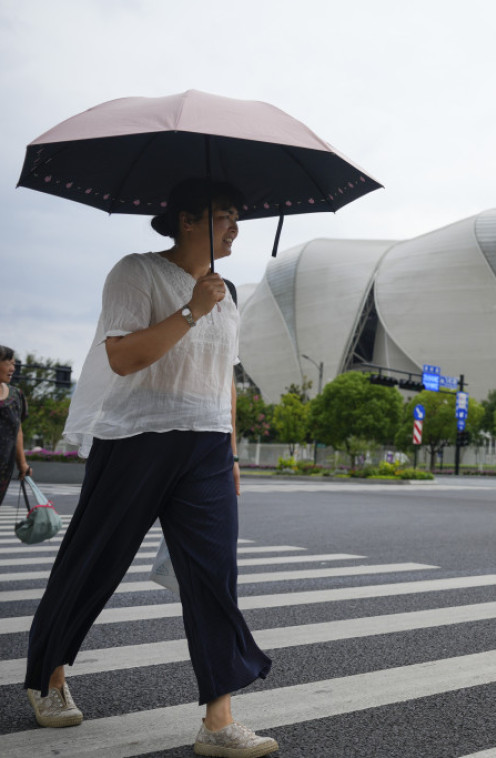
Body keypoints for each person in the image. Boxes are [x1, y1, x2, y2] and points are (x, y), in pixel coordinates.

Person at [23, 178, 278, 757]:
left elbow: (225, 379)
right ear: (187, 220)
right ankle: (49, 676)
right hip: (136, 438)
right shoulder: (135, 273)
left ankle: (219, 723)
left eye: (239, 216)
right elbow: (122, 356)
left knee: (214, 577)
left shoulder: (228, 291)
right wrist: (193, 308)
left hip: (206, 445)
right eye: (224, 216)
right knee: (94, 561)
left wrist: (232, 450)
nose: (235, 227)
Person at [1, 345, 32, 506]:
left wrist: (22, 463)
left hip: (3, 467)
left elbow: (17, 431)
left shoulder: (16, 395)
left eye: (14, 364)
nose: (13, 368)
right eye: (9, 363)